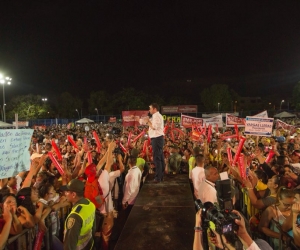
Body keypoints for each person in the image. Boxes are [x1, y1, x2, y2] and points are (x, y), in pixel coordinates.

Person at [62, 179, 96, 250]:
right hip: (90, 245)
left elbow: (70, 245)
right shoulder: (90, 204)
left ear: (73, 195)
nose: (65, 194)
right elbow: (93, 228)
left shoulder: (75, 217)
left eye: (67, 191)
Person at [147, 103, 165, 183]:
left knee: (157, 158)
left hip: (157, 138)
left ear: (154, 109)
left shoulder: (157, 116)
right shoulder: (154, 116)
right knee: (160, 157)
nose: (149, 110)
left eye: (150, 108)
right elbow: (147, 122)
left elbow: (154, 127)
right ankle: (160, 175)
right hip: (157, 138)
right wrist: (138, 120)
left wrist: (148, 122)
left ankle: (158, 177)